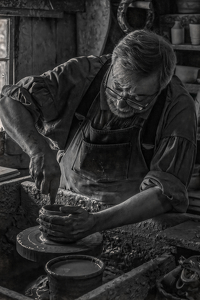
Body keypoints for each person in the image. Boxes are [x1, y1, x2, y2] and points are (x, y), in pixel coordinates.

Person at [0, 30, 197, 243]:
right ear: (111, 65)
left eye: (138, 98)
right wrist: (38, 150)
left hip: (131, 220)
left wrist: (94, 222)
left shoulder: (178, 107)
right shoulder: (83, 74)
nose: (121, 103)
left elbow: (165, 193)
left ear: (161, 87)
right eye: (117, 88)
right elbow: (11, 103)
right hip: (71, 203)